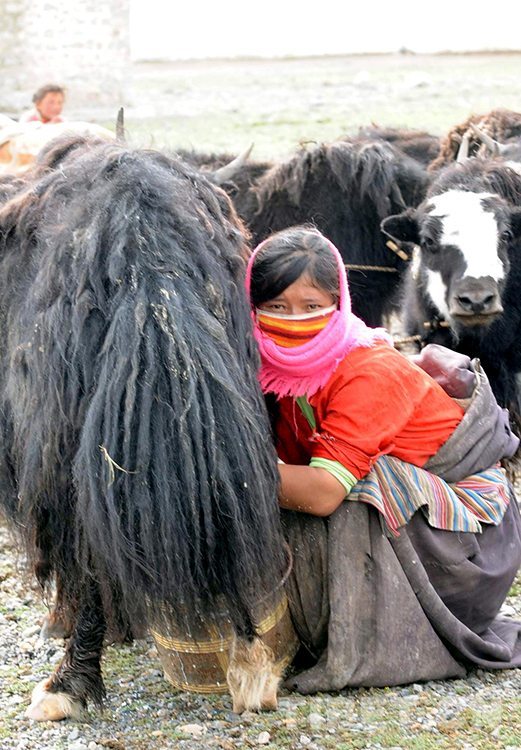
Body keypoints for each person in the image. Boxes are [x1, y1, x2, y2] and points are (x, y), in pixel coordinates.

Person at [246, 225, 521, 692]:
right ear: (252, 308)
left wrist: (229, 470)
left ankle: (372, 627)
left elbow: (322, 493)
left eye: (311, 307)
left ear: (339, 303)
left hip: (464, 554)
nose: (294, 322)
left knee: (360, 485)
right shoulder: (274, 373)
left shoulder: (367, 369)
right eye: (276, 307)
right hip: (417, 531)